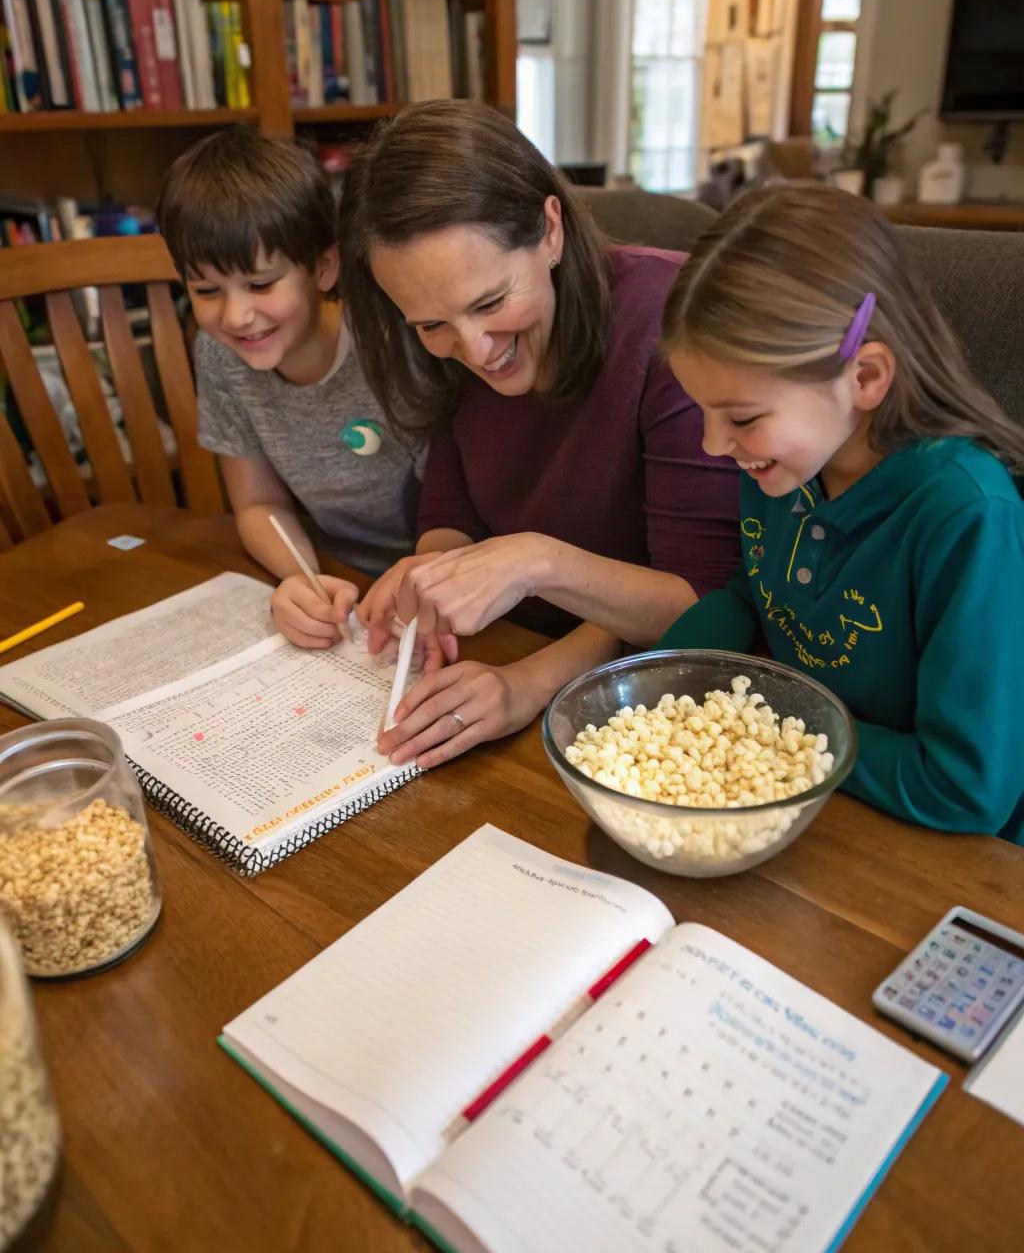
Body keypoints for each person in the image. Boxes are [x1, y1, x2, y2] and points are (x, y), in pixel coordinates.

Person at [338, 101, 740, 770]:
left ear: (550, 231)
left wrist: (534, 587)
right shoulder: (445, 343)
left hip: (657, 705)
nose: (473, 350)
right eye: (431, 325)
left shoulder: (673, 327)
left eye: (491, 303)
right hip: (520, 653)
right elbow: (450, 512)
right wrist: (433, 574)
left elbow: (703, 606)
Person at [655, 181, 1024, 843]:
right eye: (703, 410)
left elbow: (966, 790)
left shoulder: (966, 516)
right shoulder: (788, 465)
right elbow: (758, 589)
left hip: (948, 852)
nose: (713, 445)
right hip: (818, 801)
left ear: (865, 378)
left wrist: (765, 725)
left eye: (741, 416)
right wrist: (654, 685)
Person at [157, 127, 422, 642]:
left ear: (324, 266)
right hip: (338, 573)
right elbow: (257, 505)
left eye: (260, 284)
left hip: (443, 574)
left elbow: (462, 503)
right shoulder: (219, 353)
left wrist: (419, 579)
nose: (236, 316)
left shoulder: (392, 341)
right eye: (206, 289)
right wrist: (303, 580)